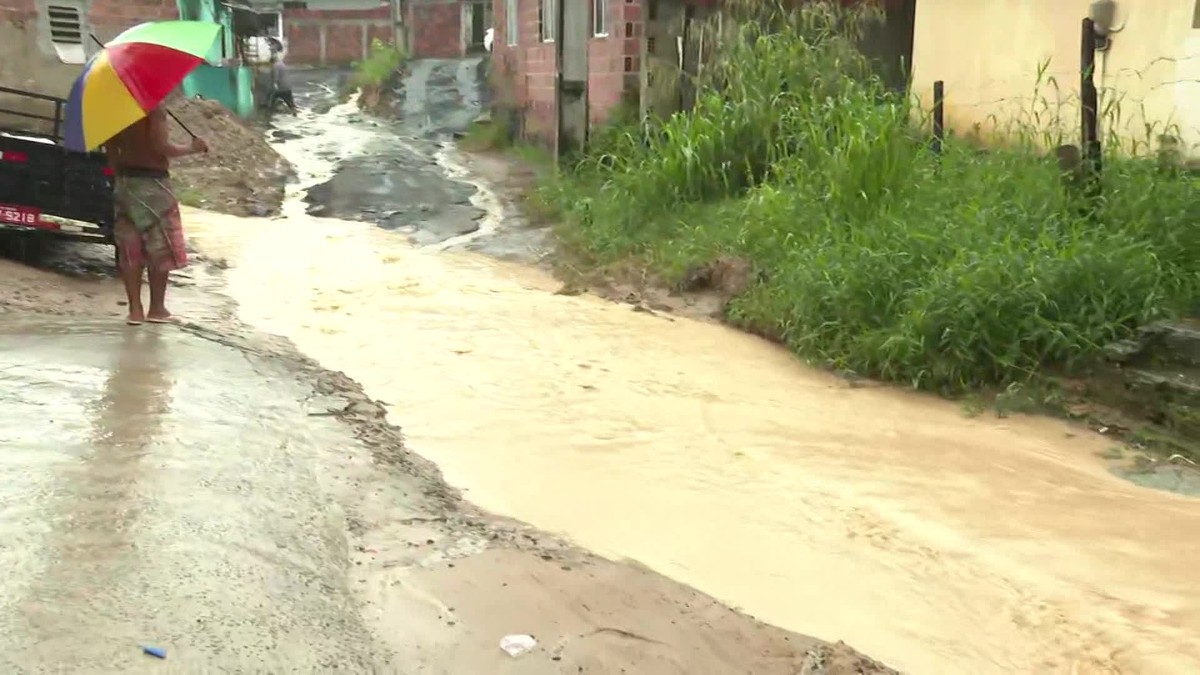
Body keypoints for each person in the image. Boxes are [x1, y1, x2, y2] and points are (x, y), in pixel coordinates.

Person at [104, 105, 207, 326]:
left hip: (125, 183)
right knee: (160, 245)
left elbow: (110, 150)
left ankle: (135, 311)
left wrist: (122, 171)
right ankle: (157, 309)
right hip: (154, 184)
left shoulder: (115, 108)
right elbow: (161, 147)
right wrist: (192, 148)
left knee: (130, 247)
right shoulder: (154, 108)